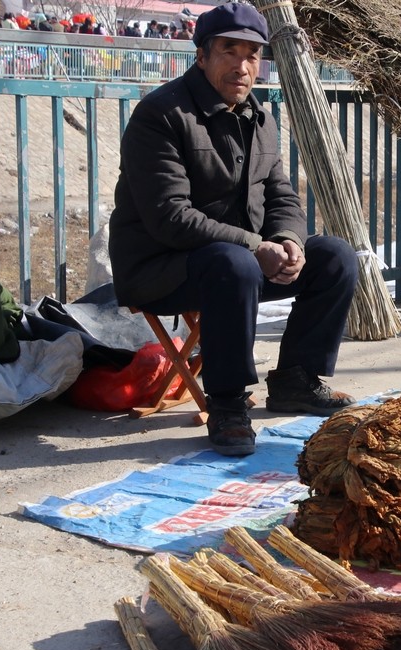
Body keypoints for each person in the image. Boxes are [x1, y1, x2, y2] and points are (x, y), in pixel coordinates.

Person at [108, 2, 359, 456]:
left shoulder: (259, 118)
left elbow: (281, 196)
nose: (242, 66)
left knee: (335, 256)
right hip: (161, 267)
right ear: (202, 55)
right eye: (229, 51)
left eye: (252, 55)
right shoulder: (161, 115)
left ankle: (297, 380)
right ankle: (227, 403)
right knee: (234, 263)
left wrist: (288, 241)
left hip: (237, 263)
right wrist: (255, 246)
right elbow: (170, 217)